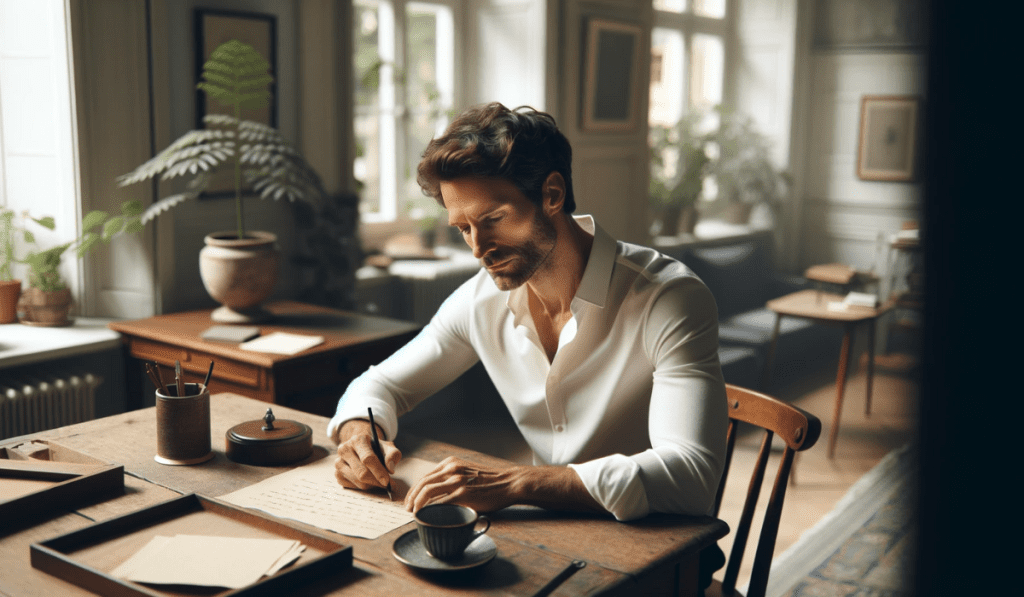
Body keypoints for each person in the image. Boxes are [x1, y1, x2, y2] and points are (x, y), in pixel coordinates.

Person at [330, 102, 728, 524]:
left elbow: (691, 475)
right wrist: (358, 433)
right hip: (547, 527)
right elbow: (379, 385)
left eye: (494, 219)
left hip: (657, 541)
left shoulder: (669, 298)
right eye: (464, 229)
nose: (479, 248)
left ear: (552, 194)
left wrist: (518, 483)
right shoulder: (479, 301)